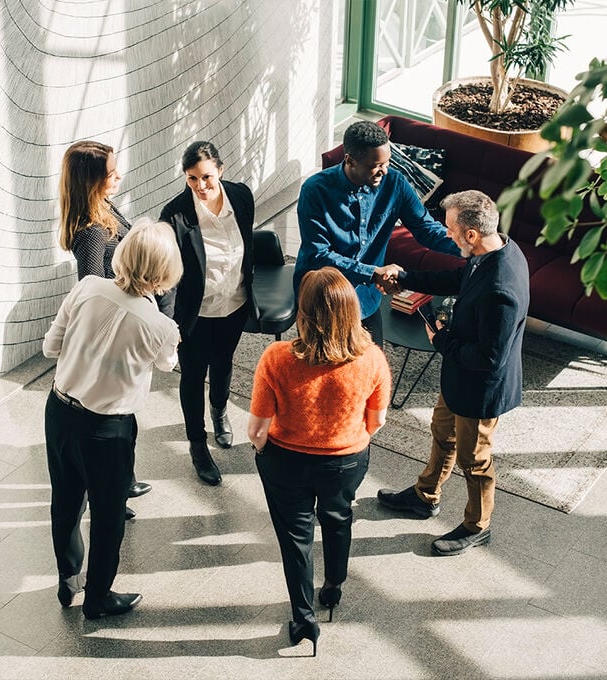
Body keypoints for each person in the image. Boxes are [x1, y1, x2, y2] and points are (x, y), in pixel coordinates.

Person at [375, 190, 529, 556]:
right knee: (442, 433)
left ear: (471, 234)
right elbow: (458, 280)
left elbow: (489, 358)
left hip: (480, 390)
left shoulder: (500, 289)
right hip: (459, 378)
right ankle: (425, 495)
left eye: (451, 228)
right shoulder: (493, 251)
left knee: (474, 460)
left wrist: (441, 340)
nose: (447, 234)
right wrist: (407, 277)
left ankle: (478, 526)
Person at [43, 218, 182, 619]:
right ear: (165, 271)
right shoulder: (160, 326)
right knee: (108, 516)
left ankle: (68, 578)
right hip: (108, 429)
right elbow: (168, 364)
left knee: (65, 502)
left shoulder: (87, 287)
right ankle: (98, 598)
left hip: (59, 410)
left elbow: (51, 348)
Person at [248, 267, 391, 655]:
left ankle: (303, 619)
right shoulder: (372, 359)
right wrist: (349, 440)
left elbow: (257, 430)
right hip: (346, 460)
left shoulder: (277, 358)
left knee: (295, 538)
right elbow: (376, 421)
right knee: (338, 516)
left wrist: (262, 450)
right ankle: (334, 586)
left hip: (285, 461)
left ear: (303, 313)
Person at [293, 120, 462, 346]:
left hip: (366, 299)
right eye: (376, 165)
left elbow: (426, 228)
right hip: (322, 297)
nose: (384, 170)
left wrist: (471, 246)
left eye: (387, 162)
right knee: (319, 364)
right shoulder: (315, 190)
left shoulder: (395, 183)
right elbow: (318, 255)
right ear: (350, 160)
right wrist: (373, 273)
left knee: (375, 362)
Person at [58, 140, 152, 513]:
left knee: (124, 421)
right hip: (111, 339)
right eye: (111, 174)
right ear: (90, 181)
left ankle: (120, 485)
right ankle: (111, 492)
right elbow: (92, 290)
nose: (119, 177)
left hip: (119, 331)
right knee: (115, 423)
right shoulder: (92, 231)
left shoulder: (104, 207)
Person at [158, 141, 254, 486]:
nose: (200, 185)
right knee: (193, 375)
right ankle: (197, 444)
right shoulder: (175, 215)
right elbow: (167, 274)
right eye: (192, 178)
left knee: (224, 361)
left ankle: (220, 411)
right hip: (195, 315)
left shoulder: (241, 196)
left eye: (207, 177)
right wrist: (168, 323)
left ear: (221, 171)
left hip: (235, 303)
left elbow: (248, 244)